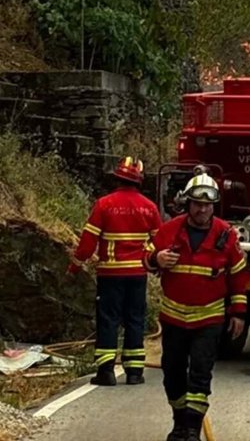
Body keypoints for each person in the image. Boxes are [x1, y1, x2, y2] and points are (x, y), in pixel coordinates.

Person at [145, 172, 250, 441]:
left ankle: (192, 429)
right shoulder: (169, 230)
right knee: (172, 374)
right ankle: (179, 423)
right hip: (173, 318)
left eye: (207, 205)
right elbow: (145, 259)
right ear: (187, 203)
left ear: (214, 206)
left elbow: (239, 276)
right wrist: (156, 258)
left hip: (209, 319)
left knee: (200, 376)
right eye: (196, 203)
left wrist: (238, 313)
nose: (202, 209)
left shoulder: (226, 235)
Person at [68, 155, 161, 386]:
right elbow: (159, 242)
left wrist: (75, 265)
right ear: (139, 180)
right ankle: (135, 372)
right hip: (138, 275)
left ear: (117, 178)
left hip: (110, 274)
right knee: (135, 319)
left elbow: (88, 241)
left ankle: (106, 371)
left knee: (108, 320)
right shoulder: (149, 208)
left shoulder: (104, 204)